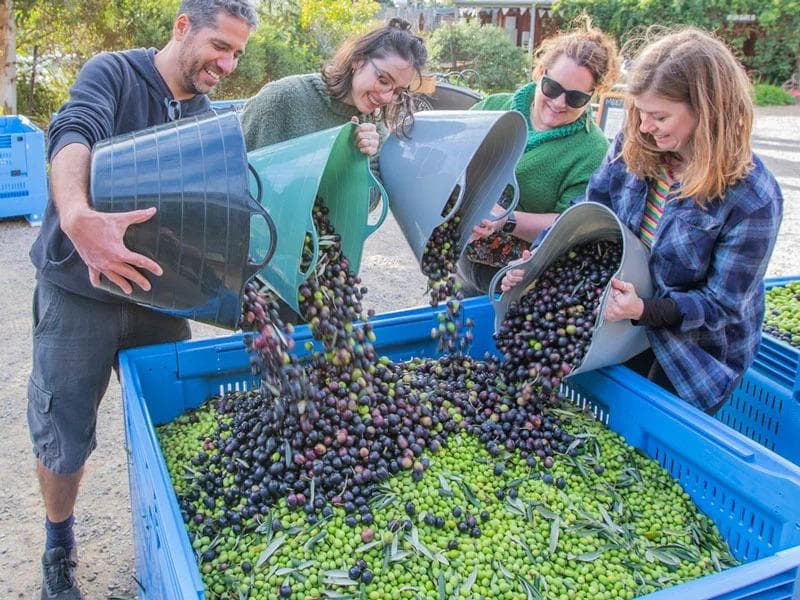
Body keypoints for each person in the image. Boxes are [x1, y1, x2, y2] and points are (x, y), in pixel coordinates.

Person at [27, 1, 257, 598]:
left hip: (161, 301)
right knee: (63, 429)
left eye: (238, 54)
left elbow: (208, 217)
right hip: (78, 293)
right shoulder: (114, 73)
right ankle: (59, 545)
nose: (228, 63)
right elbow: (72, 129)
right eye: (220, 47)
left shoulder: (202, 118)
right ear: (183, 28)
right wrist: (78, 216)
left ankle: (170, 534)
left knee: (170, 425)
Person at [501, 27, 784, 414]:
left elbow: (723, 306)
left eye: (660, 116)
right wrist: (537, 261)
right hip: (615, 321)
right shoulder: (635, 145)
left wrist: (644, 311)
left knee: (651, 444)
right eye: (639, 112)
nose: (645, 126)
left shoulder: (752, 197)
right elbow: (587, 214)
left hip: (689, 357)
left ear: (708, 111)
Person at [456, 19, 619, 295]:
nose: (558, 103)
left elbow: (571, 223)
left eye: (575, 98)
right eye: (553, 88)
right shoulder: (495, 107)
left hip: (517, 279)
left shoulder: (592, 150)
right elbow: (453, 154)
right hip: (459, 253)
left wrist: (506, 219)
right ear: (540, 72)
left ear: (593, 95)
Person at [240, 17, 428, 155]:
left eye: (397, 92)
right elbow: (231, 174)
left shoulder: (374, 128)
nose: (387, 98)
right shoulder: (281, 98)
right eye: (383, 80)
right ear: (358, 61)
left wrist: (358, 163)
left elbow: (369, 201)